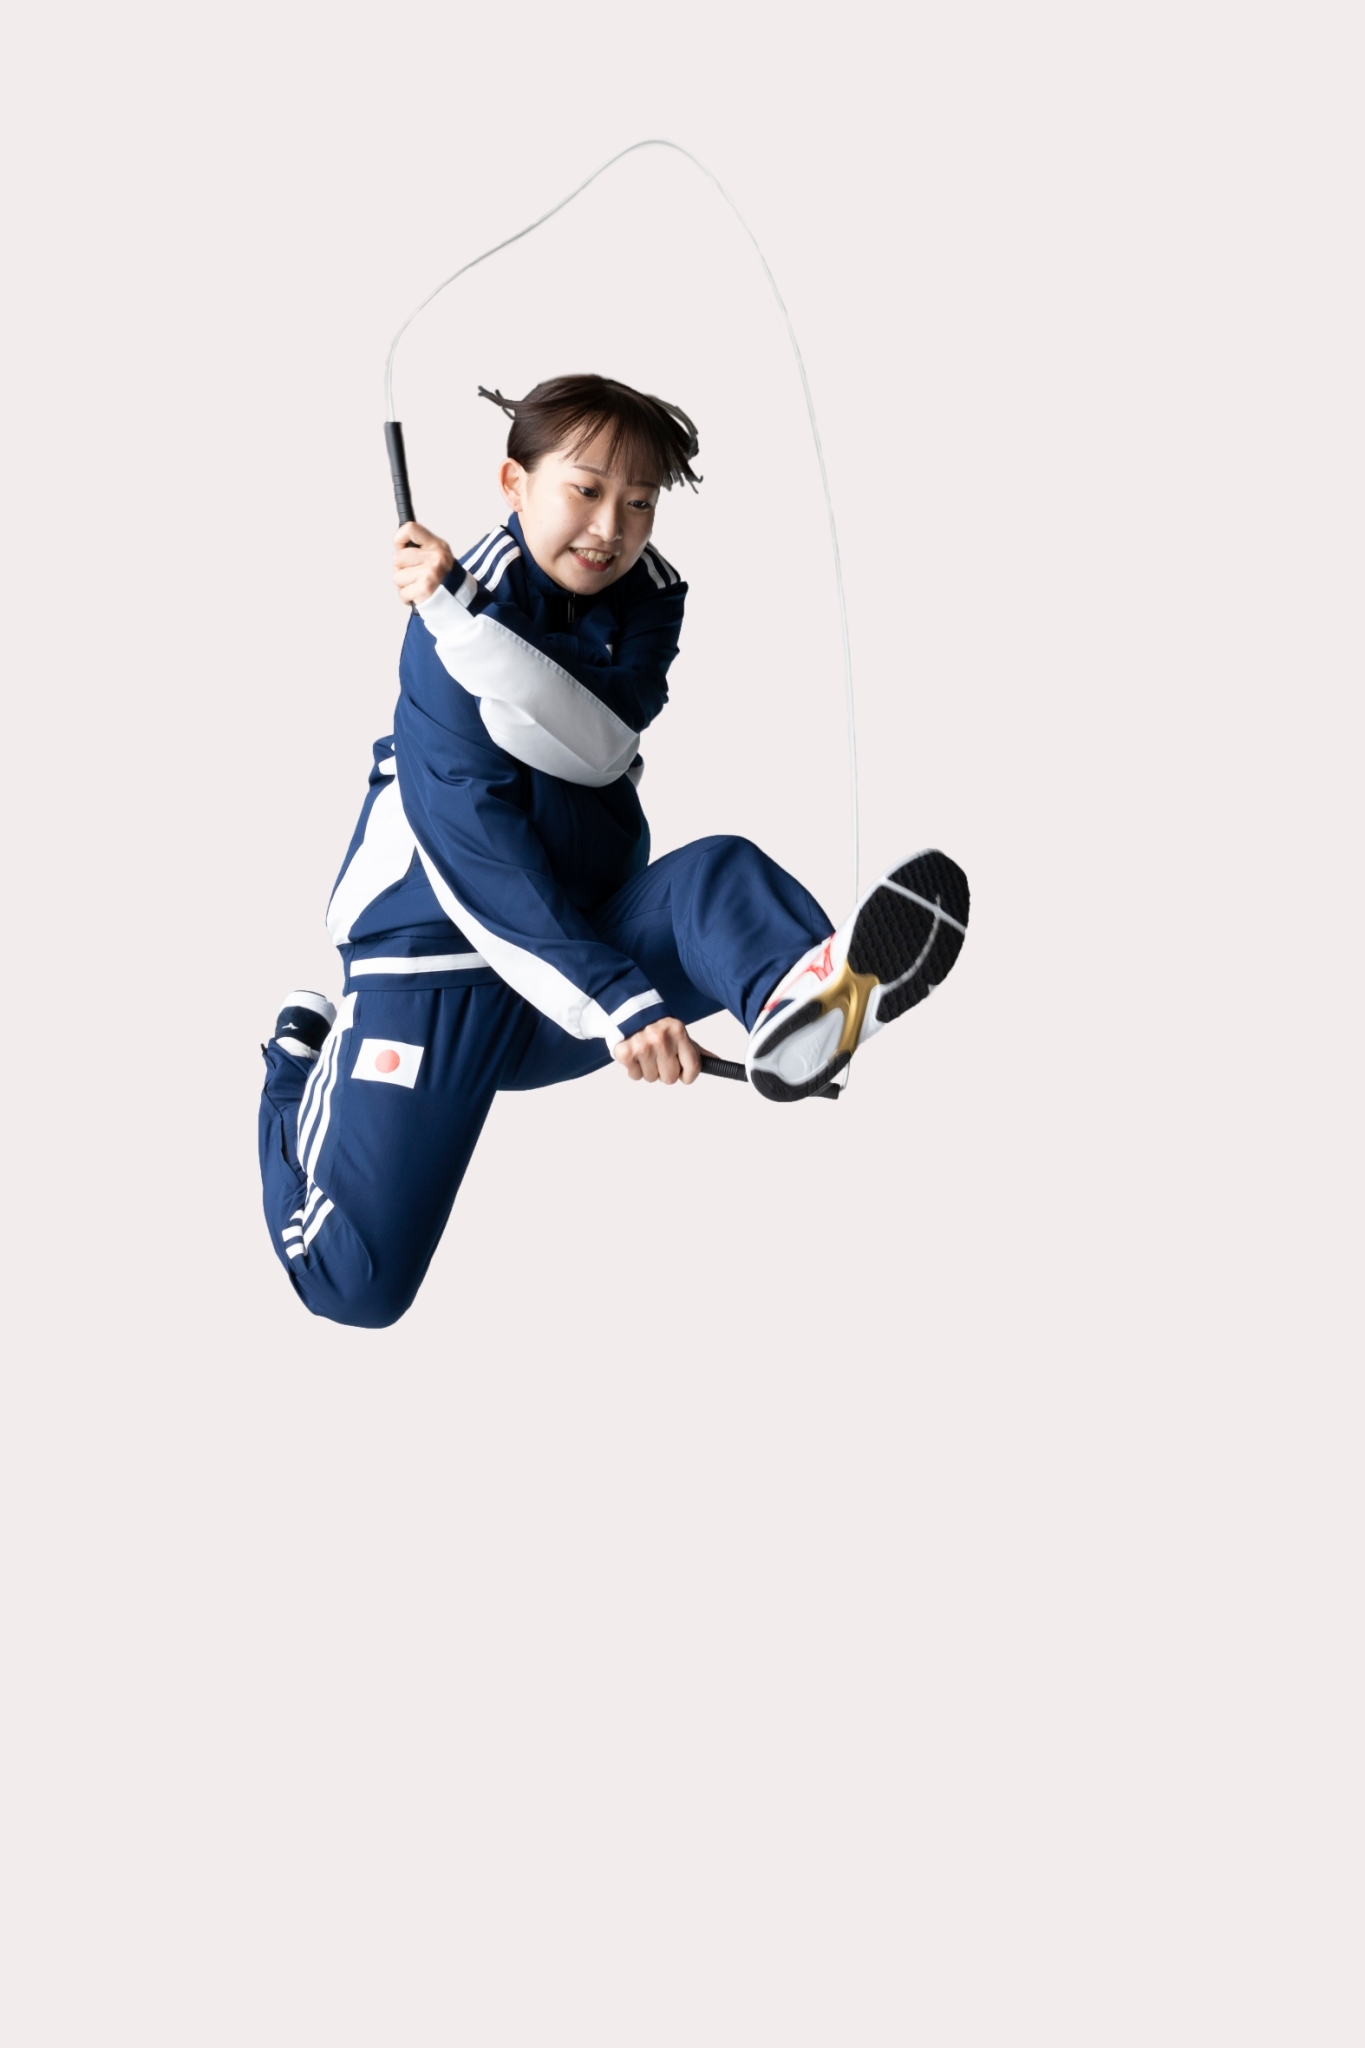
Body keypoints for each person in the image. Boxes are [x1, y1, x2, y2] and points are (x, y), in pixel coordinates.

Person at [259, 374, 969, 1327]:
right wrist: (620, 1002)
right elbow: (478, 861)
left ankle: (796, 1000)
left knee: (714, 875)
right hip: (436, 967)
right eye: (585, 489)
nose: (611, 527)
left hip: (578, 950)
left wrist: (467, 617)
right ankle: (296, 1064)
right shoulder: (434, 647)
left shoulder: (647, 595)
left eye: (640, 501)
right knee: (354, 1288)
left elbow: (599, 732)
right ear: (514, 482)